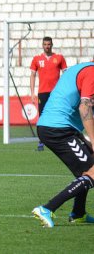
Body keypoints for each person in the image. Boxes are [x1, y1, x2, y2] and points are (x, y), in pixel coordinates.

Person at [32, 62, 94, 228]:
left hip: (62, 127)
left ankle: (78, 213)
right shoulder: (92, 72)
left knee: (87, 168)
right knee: (93, 170)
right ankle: (47, 208)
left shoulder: (84, 68)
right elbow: (84, 107)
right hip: (57, 129)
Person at [30, 36, 67, 151]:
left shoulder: (59, 57)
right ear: (42, 45)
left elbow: (65, 75)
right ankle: (41, 142)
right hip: (42, 92)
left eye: (49, 44)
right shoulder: (37, 59)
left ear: (52, 45)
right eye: (45, 44)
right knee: (42, 117)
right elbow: (32, 75)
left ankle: (60, 140)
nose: (47, 46)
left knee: (58, 115)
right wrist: (32, 93)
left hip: (56, 93)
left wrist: (64, 90)